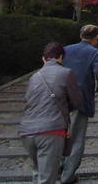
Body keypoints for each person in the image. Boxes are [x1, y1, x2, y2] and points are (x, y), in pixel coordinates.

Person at [18, 42, 83, 184]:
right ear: (61, 56)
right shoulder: (66, 73)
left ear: (43, 58)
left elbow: (28, 100)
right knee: (47, 177)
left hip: (27, 130)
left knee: (38, 172)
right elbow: (77, 102)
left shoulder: (34, 76)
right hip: (51, 129)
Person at [60, 25, 98, 184]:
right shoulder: (94, 52)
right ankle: (67, 175)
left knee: (59, 133)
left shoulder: (66, 49)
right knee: (76, 137)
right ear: (96, 37)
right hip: (80, 98)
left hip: (61, 97)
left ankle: (57, 165)